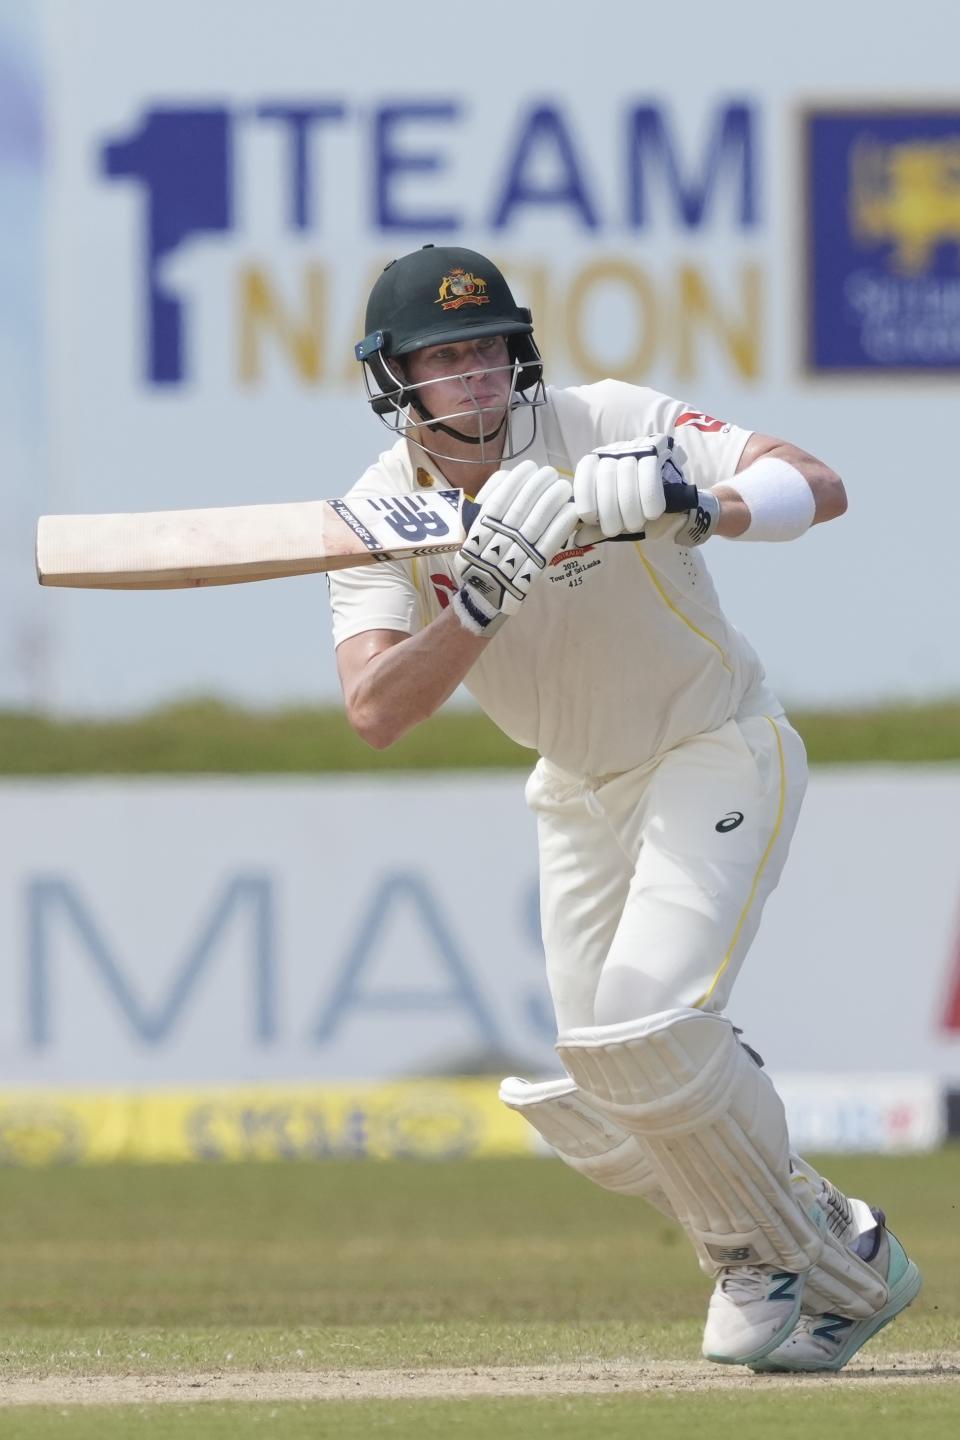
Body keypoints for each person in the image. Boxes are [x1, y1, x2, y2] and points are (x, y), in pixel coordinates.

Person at [329, 243, 921, 1373]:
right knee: (604, 1087)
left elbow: (820, 481)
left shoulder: (607, 421)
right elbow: (375, 708)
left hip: (713, 742)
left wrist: (703, 503)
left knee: (648, 1023)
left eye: (492, 351)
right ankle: (848, 1260)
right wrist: (479, 600)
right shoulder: (373, 514)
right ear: (393, 380)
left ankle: (755, 1259)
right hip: (575, 787)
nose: (478, 378)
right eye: (445, 359)